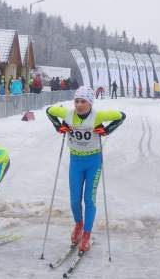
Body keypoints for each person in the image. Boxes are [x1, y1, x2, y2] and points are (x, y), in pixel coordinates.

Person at [46, 86, 126, 252]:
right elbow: (49, 111)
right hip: (75, 161)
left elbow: (121, 116)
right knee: (75, 200)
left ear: (90, 102)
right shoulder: (68, 114)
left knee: (89, 199)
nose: (79, 105)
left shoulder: (98, 115)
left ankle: (87, 235)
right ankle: (79, 224)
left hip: (93, 161)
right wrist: (58, 126)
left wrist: (106, 130)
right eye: (77, 101)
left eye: (83, 101)